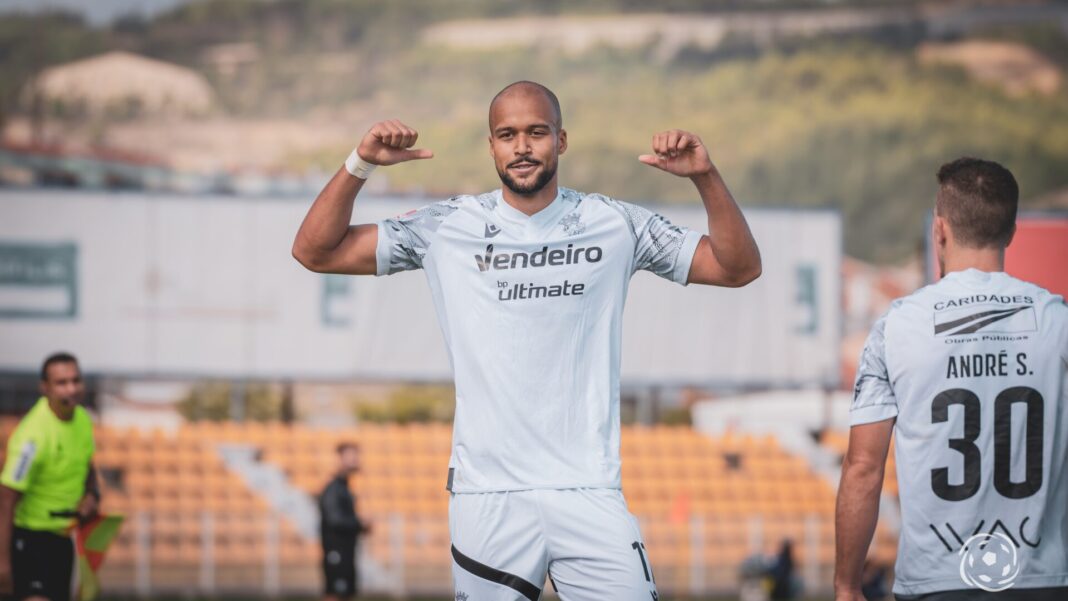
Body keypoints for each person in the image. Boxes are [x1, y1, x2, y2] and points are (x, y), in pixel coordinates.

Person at [292, 81, 761, 600]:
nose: (522, 146)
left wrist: (706, 177)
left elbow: (737, 268)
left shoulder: (616, 222)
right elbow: (315, 251)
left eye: (536, 132)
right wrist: (361, 163)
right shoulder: (447, 226)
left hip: (588, 489)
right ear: (490, 145)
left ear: (561, 141)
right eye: (507, 134)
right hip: (488, 497)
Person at [835, 158, 1068, 600]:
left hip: (936, 582)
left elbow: (864, 467)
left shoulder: (896, 327)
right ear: (1011, 231)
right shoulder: (1058, 320)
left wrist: (846, 586)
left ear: (939, 229)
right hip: (1043, 580)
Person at [0, 353, 99, 601]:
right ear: (45, 388)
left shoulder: (83, 421)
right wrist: (2, 561)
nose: (71, 389)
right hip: (30, 540)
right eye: (62, 382)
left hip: (64, 539)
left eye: (76, 380)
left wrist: (92, 495)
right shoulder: (32, 437)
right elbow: (6, 498)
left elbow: (86, 465)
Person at [319, 442, 369, 601]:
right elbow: (335, 520)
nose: (355, 460)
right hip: (337, 551)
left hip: (346, 551)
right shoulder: (334, 489)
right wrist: (360, 524)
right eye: (351, 456)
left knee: (346, 593)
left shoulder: (344, 488)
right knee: (334, 593)